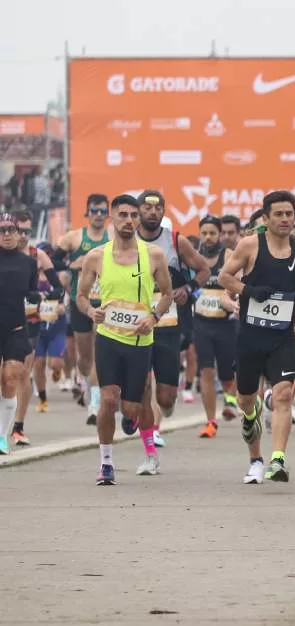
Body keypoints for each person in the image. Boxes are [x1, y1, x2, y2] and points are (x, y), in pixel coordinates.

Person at [218, 191, 295, 486]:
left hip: (282, 337)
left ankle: (277, 460)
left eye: (290, 214)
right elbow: (224, 277)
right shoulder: (250, 245)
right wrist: (248, 291)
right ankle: (255, 458)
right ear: (266, 218)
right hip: (250, 336)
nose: (286, 219)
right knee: (247, 402)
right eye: (279, 214)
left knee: (285, 394)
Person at [74, 196, 173, 483]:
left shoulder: (153, 255)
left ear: (139, 219)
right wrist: (92, 311)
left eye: (133, 215)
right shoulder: (96, 256)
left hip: (141, 341)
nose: (128, 220)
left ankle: (140, 432)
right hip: (108, 338)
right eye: (122, 215)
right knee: (107, 399)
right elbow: (80, 296)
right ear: (112, 219)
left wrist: (153, 318)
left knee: (132, 408)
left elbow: (167, 294)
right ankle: (106, 463)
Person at [134, 190, 211, 454]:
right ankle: (147, 439)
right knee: (141, 383)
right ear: (138, 211)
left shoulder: (176, 241)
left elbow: (204, 270)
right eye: (147, 207)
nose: (152, 212)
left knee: (165, 397)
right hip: (134, 323)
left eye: (158, 208)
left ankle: (164, 409)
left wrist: (188, 289)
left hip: (168, 325)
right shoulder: (125, 241)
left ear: (163, 211)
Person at [53, 192, 109, 424]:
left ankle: (95, 405)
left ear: (108, 214)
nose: (98, 215)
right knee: (84, 357)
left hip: (105, 303)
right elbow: (52, 261)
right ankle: (85, 382)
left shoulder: (113, 237)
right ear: (87, 213)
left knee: (100, 353)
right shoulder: (74, 238)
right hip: (81, 301)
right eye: (94, 210)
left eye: (103, 211)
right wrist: (70, 264)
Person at [14, 212, 61, 445]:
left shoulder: (37, 255)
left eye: (27, 232)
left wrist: (41, 296)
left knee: (23, 373)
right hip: (5, 320)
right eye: (18, 230)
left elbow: (58, 288)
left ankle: (18, 427)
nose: (23, 236)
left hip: (30, 322)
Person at [192, 217, 240, 438]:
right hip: (201, 323)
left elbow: (237, 281)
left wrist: (228, 298)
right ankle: (211, 421)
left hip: (226, 324)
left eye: (213, 233)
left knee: (228, 373)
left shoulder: (229, 256)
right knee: (206, 371)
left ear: (220, 235)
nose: (208, 237)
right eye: (204, 233)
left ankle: (230, 397)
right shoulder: (194, 257)